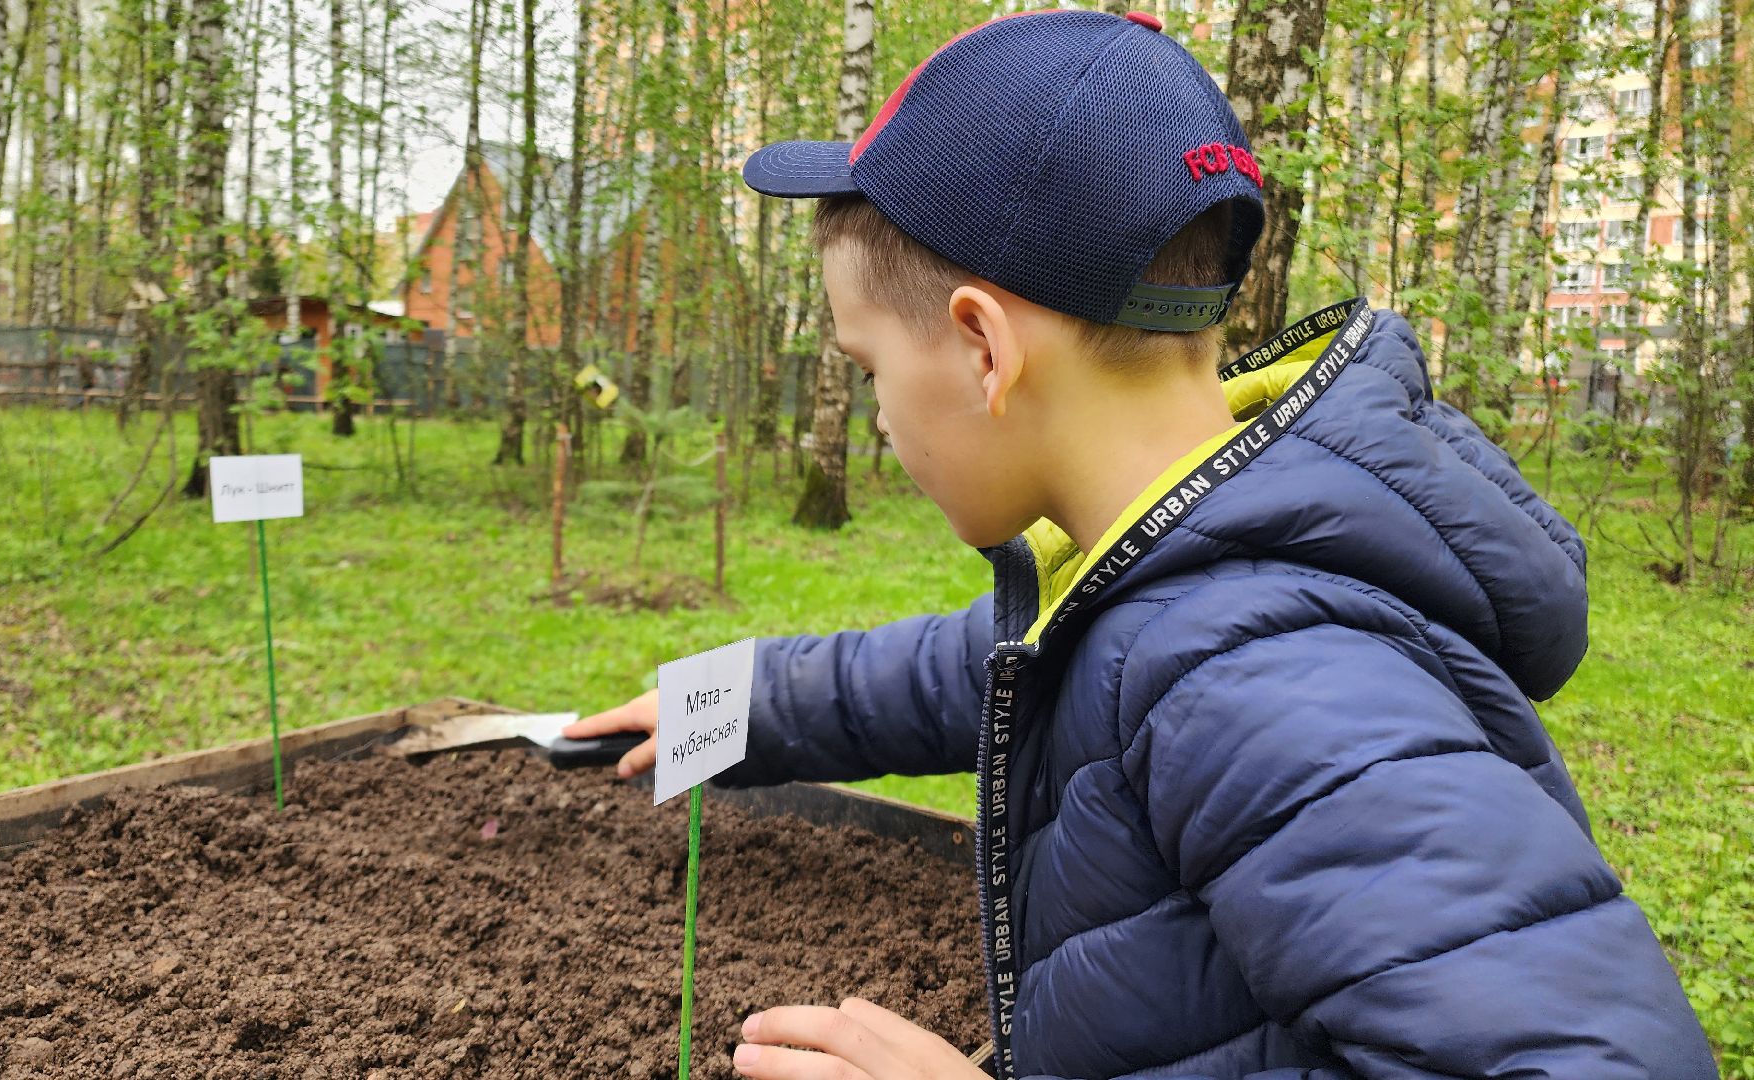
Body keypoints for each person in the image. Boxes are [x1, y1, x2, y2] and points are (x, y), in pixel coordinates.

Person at [564, 10, 1718, 1079]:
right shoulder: (1170, 566)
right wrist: (725, 705)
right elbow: (961, 674)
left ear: (981, 349)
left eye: (867, 368)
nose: (872, 412)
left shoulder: (1254, 673)